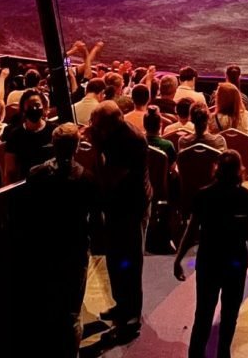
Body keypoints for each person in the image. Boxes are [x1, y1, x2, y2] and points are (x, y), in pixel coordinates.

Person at [175, 150, 248, 358]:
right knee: (229, 315)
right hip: (236, 263)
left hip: (209, 261)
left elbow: (191, 232)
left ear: (216, 169)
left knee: (203, 314)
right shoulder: (247, 198)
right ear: (240, 171)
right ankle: (223, 352)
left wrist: (179, 258)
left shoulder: (203, 195)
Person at [22, 123, 98, 356]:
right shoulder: (86, 178)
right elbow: (95, 219)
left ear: (53, 145)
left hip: (43, 246)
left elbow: (28, 212)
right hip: (74, 248)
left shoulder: (36, 174)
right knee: (72, 309)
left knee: (46, 300)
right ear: (77, 147)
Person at [89, 101, 151, 338]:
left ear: (108, 126)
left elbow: (109, 178)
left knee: (131, 261)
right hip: (116, 205)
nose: (92, 128)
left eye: (96, 125)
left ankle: (133, 312)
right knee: (115, 259)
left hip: (132, 207)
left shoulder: (131, 141)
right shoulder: (109, 135)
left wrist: (96, 149)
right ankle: (120, 304)